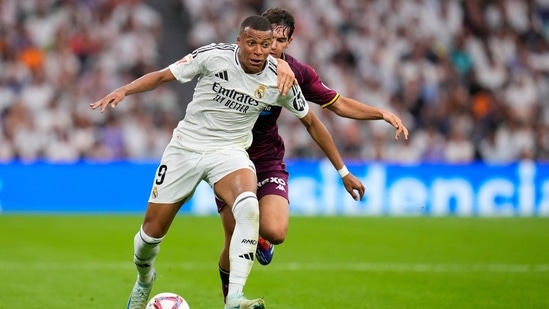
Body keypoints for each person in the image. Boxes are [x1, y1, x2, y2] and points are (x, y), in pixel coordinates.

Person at [90, 15, 365, 309]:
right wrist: (124, 90)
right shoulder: (212, 57)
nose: (258, 51)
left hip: (230, 153)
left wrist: (343, 171)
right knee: (150, 235)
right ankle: (145, 280)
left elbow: (312, 122)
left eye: (265, 44)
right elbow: (161, 76)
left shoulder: (280, 80)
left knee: (248, 203)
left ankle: (234, 296)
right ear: (239, 42)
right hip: (185, 149)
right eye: (251, 43)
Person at [216, 7, 410, 302]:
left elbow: (336, 106)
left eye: (281, 41)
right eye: (269, 39)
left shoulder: (298, 74)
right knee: (233, 238)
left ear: (289, 42)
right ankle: (230, 301)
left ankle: (263, 238)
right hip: (228, 156)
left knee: (276, 231)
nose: (272, 47)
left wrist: (379, 113)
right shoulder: (234, 59)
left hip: (266, 158)